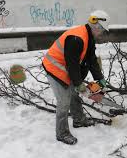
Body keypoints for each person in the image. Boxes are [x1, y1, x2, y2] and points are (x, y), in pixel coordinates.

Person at [42, 10, 110, 145]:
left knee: (74, 95)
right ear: (97, 26)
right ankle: (62, 133)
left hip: (65, 68)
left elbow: (91, 59)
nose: (102, 33)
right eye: (102, 30)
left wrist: (99, 78)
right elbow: (72, 65)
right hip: (54, 68)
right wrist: (78, 83)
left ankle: (79, 120)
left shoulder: (88, 37)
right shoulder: (77, 38)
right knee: (64, 101)